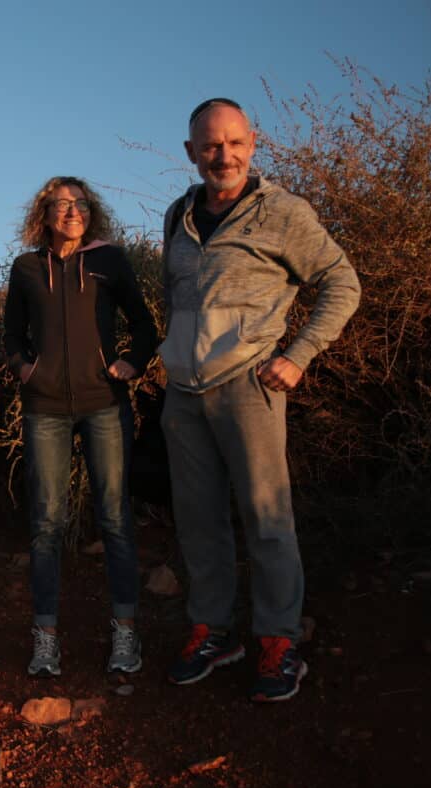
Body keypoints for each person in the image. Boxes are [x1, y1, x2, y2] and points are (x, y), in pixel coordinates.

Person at [160, 98, 361, 702]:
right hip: (184, 394)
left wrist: (297, 356)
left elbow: (341, 283)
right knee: (199, 522)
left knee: (268, 520)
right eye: (211, 146)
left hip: (250, 384)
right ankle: (213, 631)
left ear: (254, 143)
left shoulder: (284, 213)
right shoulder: (178, 214)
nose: (223, 155)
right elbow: (176, 298)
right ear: (191, 152)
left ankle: (278, 639)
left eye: (234, 143)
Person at [3, 176, 158, 678]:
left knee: (113, 518)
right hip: (44, 407)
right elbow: (10, 334)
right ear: (43, 213)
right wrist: (25, 367)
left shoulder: (109, 261)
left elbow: (143, 323)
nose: (73, 211)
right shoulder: (27, 267)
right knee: (47, 523)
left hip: (104, 405)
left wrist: (133, 361)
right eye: (62, 204)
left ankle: (126, 634)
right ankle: (46, 639)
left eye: (81, 204)